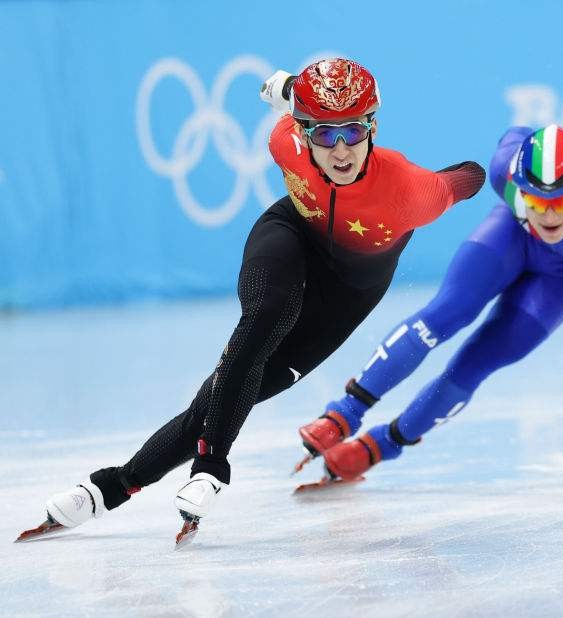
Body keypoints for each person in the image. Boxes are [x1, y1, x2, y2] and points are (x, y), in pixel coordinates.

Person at [24, 58, 485, 542]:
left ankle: (111, 487)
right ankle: (211, 468)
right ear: (302, 132)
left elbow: (467, 177)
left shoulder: (410, 190)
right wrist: (288, 91)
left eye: (352, 131)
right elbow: (291, 103)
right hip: (291, 236)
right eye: (324, 134)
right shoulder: (284, 141)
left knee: (221, 397)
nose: (340, 150)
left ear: (373, 127)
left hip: (348, 292)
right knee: (265, 316)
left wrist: (495, 172)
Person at [291, 124, 563, 486]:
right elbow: (516, 133)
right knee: (446, 312)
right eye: (535, 200)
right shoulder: (504, 171)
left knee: (477, 361)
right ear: (518, 186)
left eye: (559, 204)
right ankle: (343, 414)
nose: (547, 216)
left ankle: (380, 446)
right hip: (513, 235)